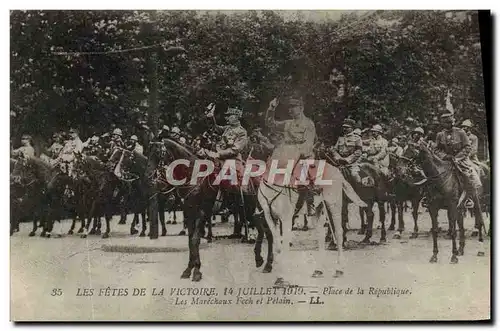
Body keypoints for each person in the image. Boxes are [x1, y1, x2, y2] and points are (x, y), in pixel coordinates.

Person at [265, 94, 316, 218]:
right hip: (285, 153)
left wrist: (297, 154)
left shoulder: (308, 124)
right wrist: (271, 109)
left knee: (303, 180)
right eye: (289, 107)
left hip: (302, 155)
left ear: (301, 108)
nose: (290, 110)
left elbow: (308, 143)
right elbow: (270, 123)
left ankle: (310, 202)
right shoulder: (287, 123)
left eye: (293, 107)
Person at [435, 113, 481, 208]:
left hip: (460, 160)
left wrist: (457, 158)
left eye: (450, 122)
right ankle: (430, 197)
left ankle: (469, 198)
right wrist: (445, 156)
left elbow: (467, 147)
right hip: (446, 160)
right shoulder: (440, 135)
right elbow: (436, 149)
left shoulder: (460, 132)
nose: (449, 124)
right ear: (443, 124)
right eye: (446, 123)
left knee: (468, 174)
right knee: (433, 173)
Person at [330, 118, 363, 183]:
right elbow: (334, 150)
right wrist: (338, 158)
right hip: (339, 163)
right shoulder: (340, 138)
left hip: (352, 164)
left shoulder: (357, 138)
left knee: (355, 176)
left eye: (347, 127)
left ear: (352, 128)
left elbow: (358, 152)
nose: (344, 129)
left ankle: (362, 190)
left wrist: (347, 160)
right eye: (344, 127)